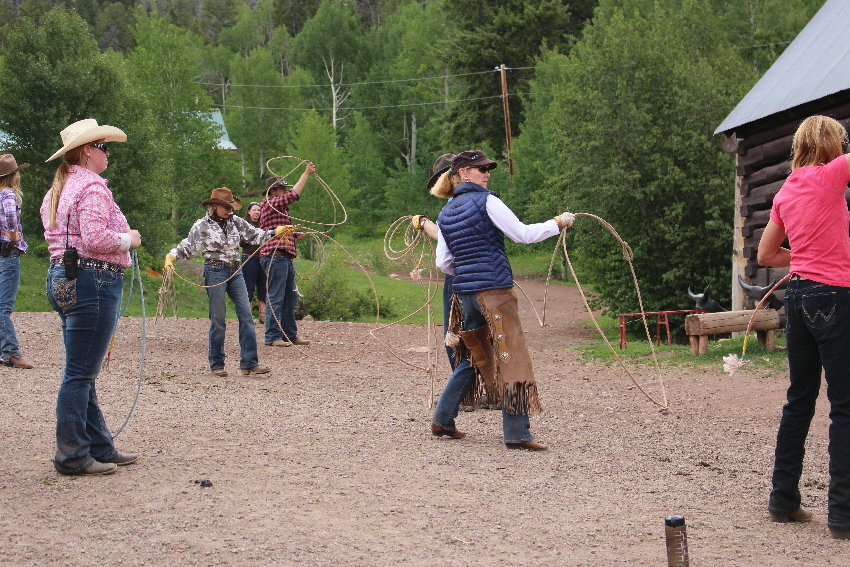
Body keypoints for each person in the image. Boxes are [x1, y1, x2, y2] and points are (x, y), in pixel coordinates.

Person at [429, 150, 574, 451]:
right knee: (513, 356)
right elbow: (523, 234)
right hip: (495, 292)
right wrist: (557, 222)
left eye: (487, 169)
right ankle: (517, 433)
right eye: (481, 169)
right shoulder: (487, 201)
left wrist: (469, 274)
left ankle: (443, 418)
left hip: (466, 293)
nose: (487, 174)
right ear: (463, 173)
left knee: (475, 355)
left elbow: (444, 262)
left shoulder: (446, 212)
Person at [757, 114, 850, 539]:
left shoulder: (786, 190)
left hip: (796, 299)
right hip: (834, 297)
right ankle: (843, 515)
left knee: (799, 399)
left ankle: (783, 500)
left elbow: (765, 254)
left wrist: (807, 256)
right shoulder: (832, 175)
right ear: (832, 144)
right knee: (844, 405)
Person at [42, 118, 140, 476]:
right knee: (80, 374)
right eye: (103, 147)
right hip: (93, 281)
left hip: (62, 278)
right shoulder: (93, 188)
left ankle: (98, 446)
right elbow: (97, 238)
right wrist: (130, 239)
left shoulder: (58, 190)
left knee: (81, 369)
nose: (107, 154)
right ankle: (72, 456)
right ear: (87, 151)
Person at [164, 188, 287, 377]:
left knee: (246, 315)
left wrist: (275, 232)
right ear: (215, 206)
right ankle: (217, 363)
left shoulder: (236, 222)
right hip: (214, 270)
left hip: (236, 270)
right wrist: (172, 255)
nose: (229, 211)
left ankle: (249, 362)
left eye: (230, 207)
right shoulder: (202, 225)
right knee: (218, 317)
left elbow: (255, 235)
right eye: (226, 207)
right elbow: (189, 247)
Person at [259, 163, 315, 347]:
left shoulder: (279, 209)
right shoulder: (269, 203)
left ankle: (289, 335)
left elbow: (278, 230)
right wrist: (306, 174)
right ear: (273, 191)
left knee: (290, 297)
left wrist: (294, 234)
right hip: (275, 256)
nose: (285, 191)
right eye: (282, 188)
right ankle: (272, 337)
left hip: (283, 256)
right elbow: (293, 195)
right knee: (276, 297)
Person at [412, 153, 458, 370]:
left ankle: (464, 385)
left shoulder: (455, 203)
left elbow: (445, 236)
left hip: (457, 274)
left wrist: (423, 223)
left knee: (453, 333)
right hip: (479, 272)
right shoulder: (478, 198)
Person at [0, 154, 33, 369]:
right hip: (8, 253)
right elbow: (11, 216)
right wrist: (12, 233)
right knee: (3, 306)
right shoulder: (8, 194)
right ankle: (11, 352)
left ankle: (4, 351)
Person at [241, 201, 267, 323]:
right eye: (254, 210)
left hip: (263, 257)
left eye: (259, 210)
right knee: (249, 286)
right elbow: (240, 242)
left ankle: (263, 314)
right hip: (249, 257)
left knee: (263, 286)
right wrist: (251, 237)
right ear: (249, 212)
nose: (257, 212)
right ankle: (248, 313)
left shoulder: (264, 224)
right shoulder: (244, 224)